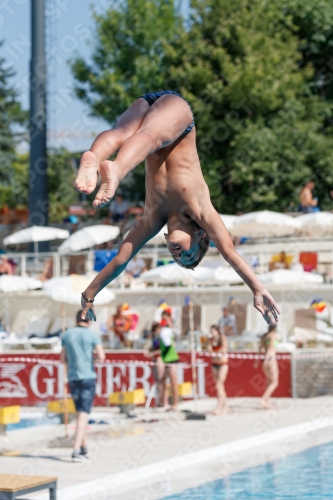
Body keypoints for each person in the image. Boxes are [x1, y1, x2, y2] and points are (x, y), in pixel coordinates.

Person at [77, 90, 279, 327]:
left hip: (148, 106)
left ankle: (93, 158)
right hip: (177, 115)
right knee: (150, 136)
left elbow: (121, 260)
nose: (178, 255)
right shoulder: (201, 210)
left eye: (177, 258)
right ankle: (116, 171)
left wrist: (89, 294)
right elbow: (230, 253)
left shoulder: (153, 220)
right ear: (200, 234)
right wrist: (257, 288)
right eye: (189, 254)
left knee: (122, 133)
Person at [60, 310, 105, 462]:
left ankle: (84, 448)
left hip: (73, 377)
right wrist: (91, 361)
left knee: (80, 414)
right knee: (83, 414)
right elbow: (101, 356)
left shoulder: (66, 335)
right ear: (89, 321)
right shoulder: (92, 335)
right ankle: (76, 451)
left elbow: (62, 359)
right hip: (88, 377)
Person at [254, 325, 279, 409]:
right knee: (275, 382)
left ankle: (266, 401)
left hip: (264, 359)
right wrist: (268, 358)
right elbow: (271, 347)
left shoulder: (264, 336)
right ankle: (263, 399)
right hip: (270, 358)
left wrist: (257, 361)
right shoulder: (273, 335)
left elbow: (260, 349)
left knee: (269, 382)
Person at [207, 324, 229, 415]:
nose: (212, 333)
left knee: (218, 385)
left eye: (213, 331)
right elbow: (208, 350)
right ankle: (226, 406)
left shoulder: (222, 337)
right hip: (214, 364)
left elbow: (224, 349)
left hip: (222, 364)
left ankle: (219, 407)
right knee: (220, 387)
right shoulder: (211, 340)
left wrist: (214, 352)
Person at [144, 322, 167, 407]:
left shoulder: (160, 337)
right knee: (158, 381)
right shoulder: (155, 337)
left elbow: (161, 350)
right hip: (156, 359)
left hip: (159, 359)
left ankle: (163, 401)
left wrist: (152, 353)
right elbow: (154, 348)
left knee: (161, 381)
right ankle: (160, 401)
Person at [159, 325, 179, 411]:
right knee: (164, 382)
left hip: (171, 361)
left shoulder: (165, 335)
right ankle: (166, 403)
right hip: (166, 361)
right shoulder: (164, 335)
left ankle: (175, 403)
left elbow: (168, 347)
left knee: (173, 382)